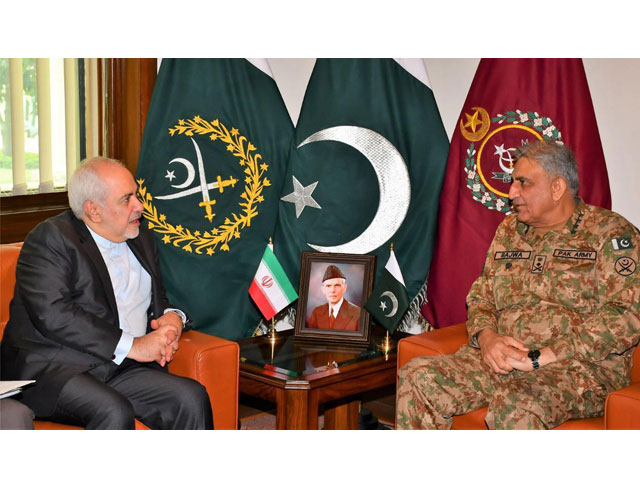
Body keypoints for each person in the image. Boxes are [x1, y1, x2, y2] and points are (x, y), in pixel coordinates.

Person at [396, 141, 640, 429]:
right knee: (418, 376)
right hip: (505, 360)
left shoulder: (610, 234)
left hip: (579, 369)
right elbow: (482, 295)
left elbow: (625, 317)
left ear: (557, 188)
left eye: (523, 183)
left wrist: (542, 357)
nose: (511, 193)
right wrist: (487, 339)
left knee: (516, 403)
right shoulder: (509, 230)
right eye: (512, 182)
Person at [0, 157, 213, 430]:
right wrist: (134, 346)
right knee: (113, 409)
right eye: (127, 199)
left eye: (136, 194)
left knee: (190, 396)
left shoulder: (141, 238)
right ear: (94, 210)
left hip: (120, 368)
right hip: (57, 368)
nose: (140, 206)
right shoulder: (51, 239)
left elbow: (156, 300)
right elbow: (54, 314)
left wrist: (174, 318)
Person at [308, 265, 361, 331]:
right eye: (328, 286)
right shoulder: (317, 312)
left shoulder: (357, 313)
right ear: (323, 289)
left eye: (337, 285)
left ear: (344, 288)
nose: (332, 290)